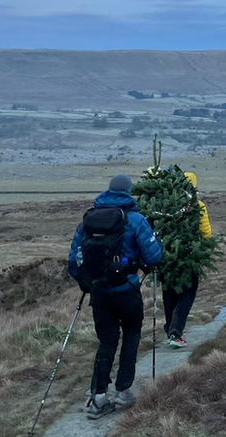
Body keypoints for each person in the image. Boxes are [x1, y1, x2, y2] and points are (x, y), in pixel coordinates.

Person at [68, 174, 162, 419]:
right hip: (126, 291)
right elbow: (153, 257)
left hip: (99, 293)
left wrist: (86, 283)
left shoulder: (88, 220)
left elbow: (73, 261)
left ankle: (98, 398)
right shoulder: (134, 219)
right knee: (131, 334)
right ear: (129, 192)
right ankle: (123, 391)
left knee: (107, 341)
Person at [163, 171, 212, 349]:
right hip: (188, 258)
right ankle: (175, 333)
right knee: (186, 295)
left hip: (166, 259)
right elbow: (206, 233)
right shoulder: (197, 206)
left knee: (168, 294)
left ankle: (169, 329)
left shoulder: (165, 205)